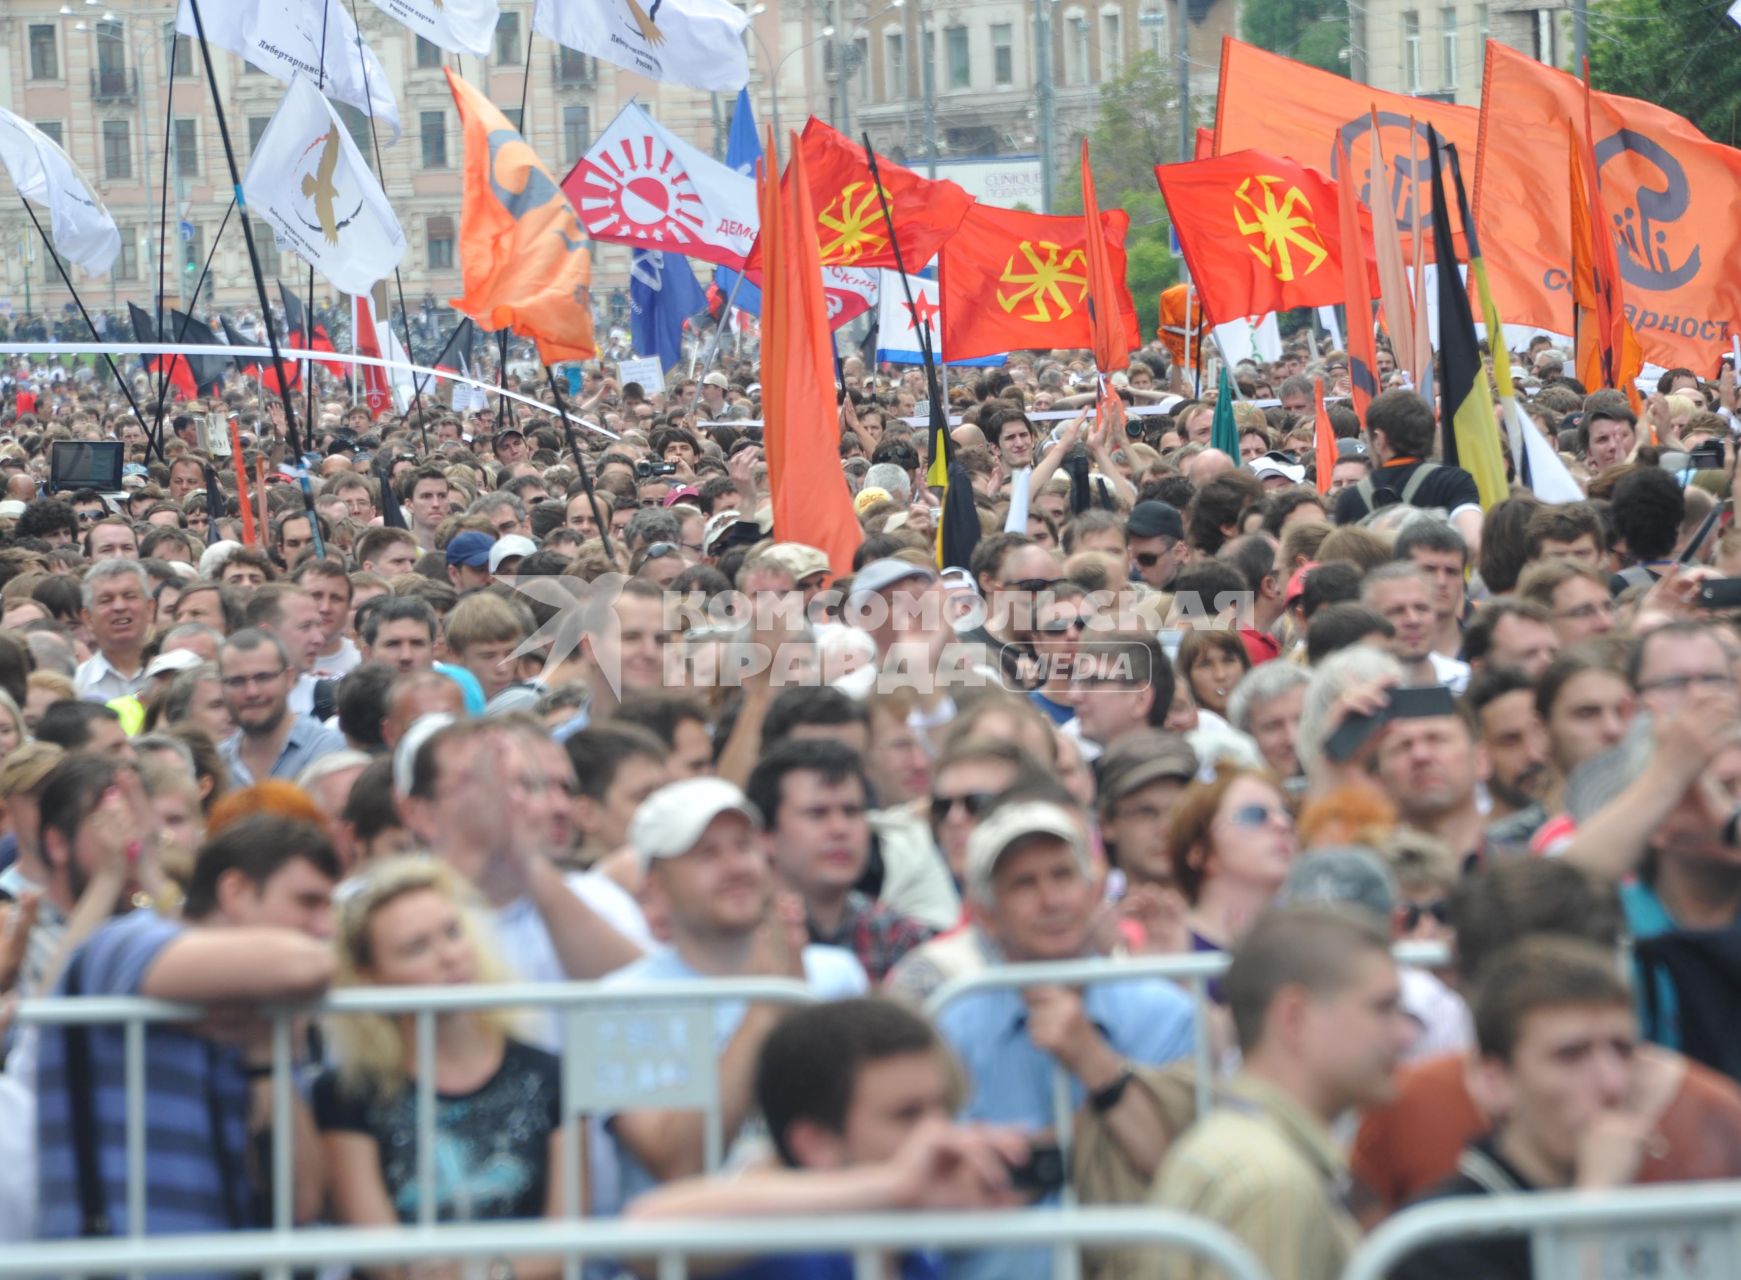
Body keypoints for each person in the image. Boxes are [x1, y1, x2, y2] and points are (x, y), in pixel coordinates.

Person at [36, 814, 339, 1243]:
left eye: (330, 907)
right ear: (235, 891)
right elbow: (308, 964)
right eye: (308, 902)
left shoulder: (270, 1009)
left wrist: (266, 1058)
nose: (325, 927)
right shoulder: (122, 942)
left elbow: (302, 1203)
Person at [601, 777, 868, 1215]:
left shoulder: (837, 973)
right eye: (707, 854)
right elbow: (679, 1164)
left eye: (743, 846)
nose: (736, 867)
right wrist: (767, 1005)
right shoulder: (618, 1002)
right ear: (655, 888)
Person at [626, 999, 1029, 1279]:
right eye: (908, 1115)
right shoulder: (784, 1249)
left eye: (943, 1108)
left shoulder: (916, 1249)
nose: (939, 1133)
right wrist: (896, 1184)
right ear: (815, 1143)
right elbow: (643, 1232)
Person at [314, 856, 571, 1275]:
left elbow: (565, 1244)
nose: (449, 956)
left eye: (452, 932)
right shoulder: (347, 1091)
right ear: (369, 977)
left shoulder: (548, 1075)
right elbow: (382, 1261)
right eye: (417, 947)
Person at [1148, 906, 1413, 1280]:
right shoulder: (1272, 1182)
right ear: (1294, 1017)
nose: (1404, 1035)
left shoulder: (1240, 1149)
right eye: (1382, 1008)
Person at [1390, 938, 1645, 1280]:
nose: (1613, 1083)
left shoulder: (1662, 1203)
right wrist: (1596, 1203)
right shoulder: (1439, 1237)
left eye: (1623, 1050)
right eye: (1570, 1055)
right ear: (1494, 1082)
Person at [745, 739, 934, 982]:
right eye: (817, 813)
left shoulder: (898, 935)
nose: (839, 829)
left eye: (852, 811)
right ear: (765, 836)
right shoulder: (736, 935)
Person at [217, 628, 347, 785]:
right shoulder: (217, 763)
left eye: (263, 678)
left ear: (289, 678)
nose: (252, 692)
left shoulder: (327, 753)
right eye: (237, 681)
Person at [73, 560, 155, 703]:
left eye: (129, 596)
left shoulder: (175, 673)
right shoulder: (77, 687)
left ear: (150, 608)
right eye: (106, 600)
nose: (119, 606)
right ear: (88, 618)